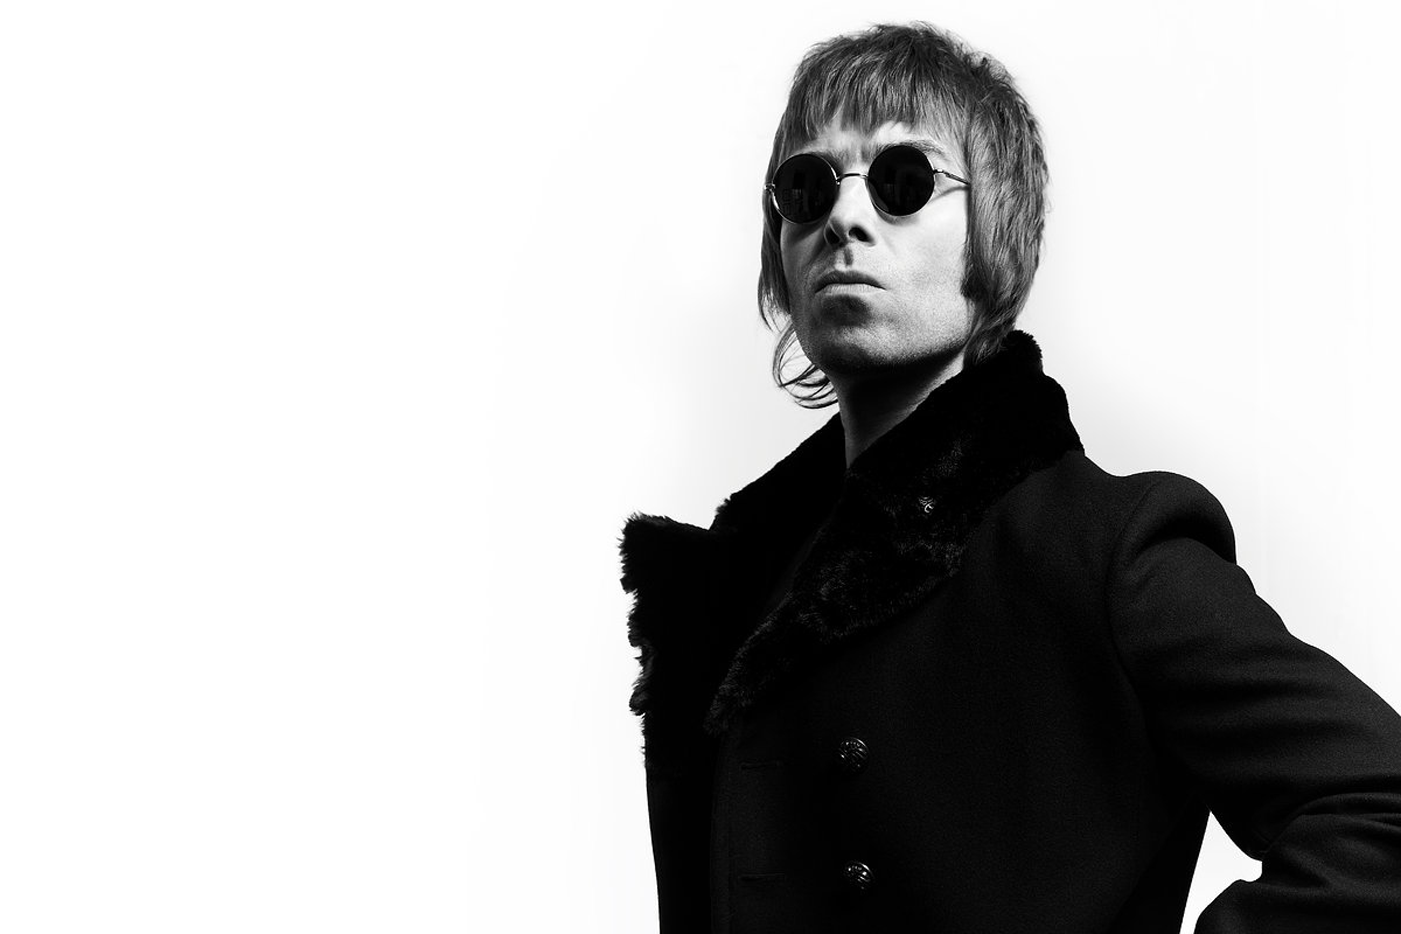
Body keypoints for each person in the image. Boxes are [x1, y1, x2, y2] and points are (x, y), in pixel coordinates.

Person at [619, 21, 1401, 933]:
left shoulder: (1103, 548)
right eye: (808, 186)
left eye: (903, 182)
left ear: (993, 234)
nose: (843, 217)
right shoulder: (742, 592)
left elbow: (1379, 818)